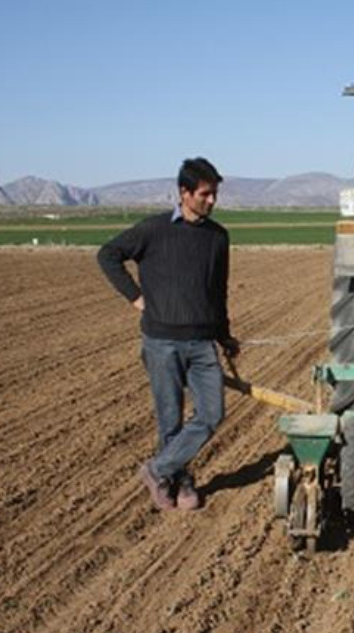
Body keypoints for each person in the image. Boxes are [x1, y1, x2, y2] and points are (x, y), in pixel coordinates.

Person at [97, 157, 240, 511]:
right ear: (184, 192)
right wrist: (136, 298)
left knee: (211, 414)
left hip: (203, 342)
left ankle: (157, 469)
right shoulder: (154, 230)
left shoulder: (217, 237)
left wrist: (224, 337)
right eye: (205, 194)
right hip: (161, 341)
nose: (211, 201)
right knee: (170, 419)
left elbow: (217, 291)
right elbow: (108, 255)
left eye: (215, 194)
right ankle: (180, 481)